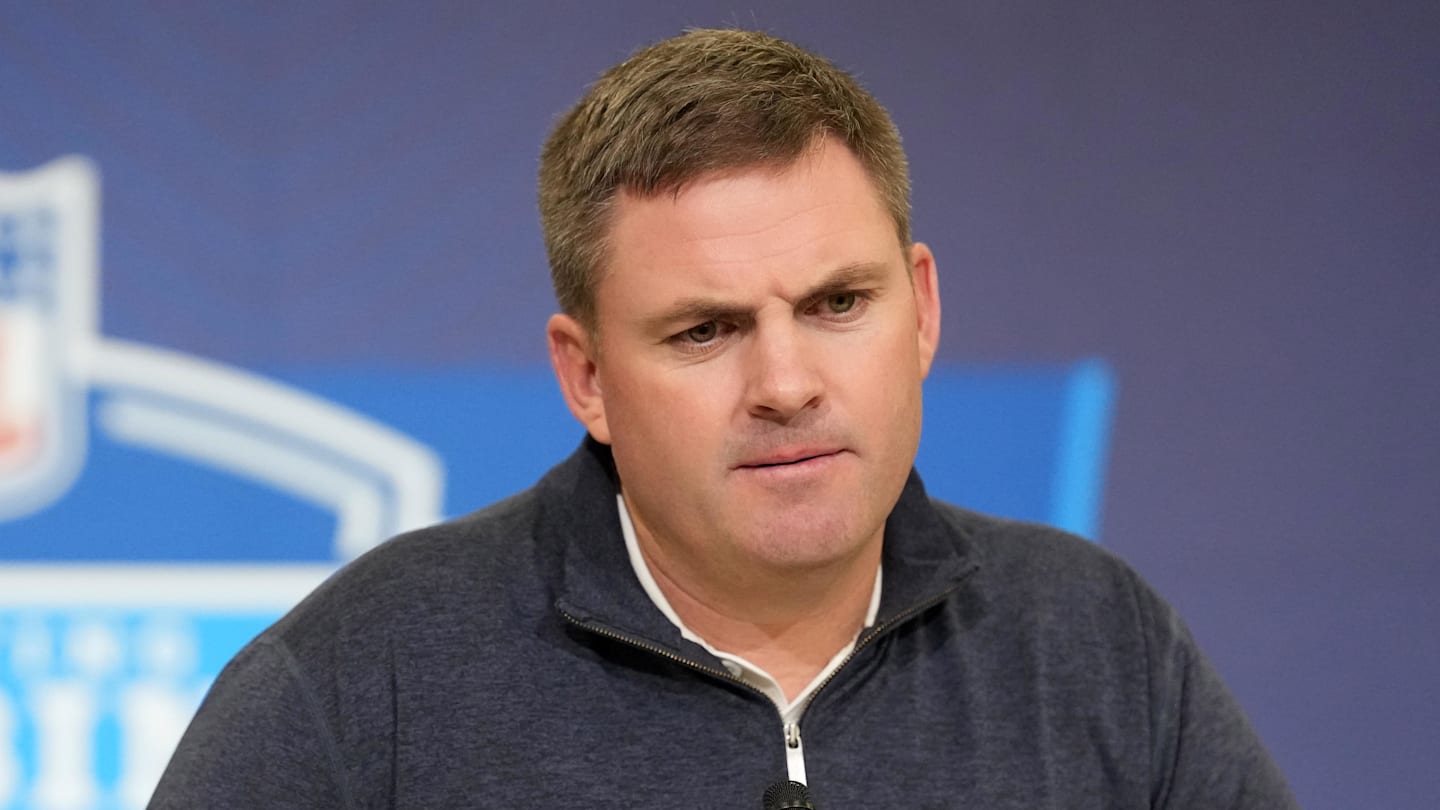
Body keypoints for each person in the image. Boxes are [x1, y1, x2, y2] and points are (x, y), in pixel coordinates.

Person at [149, 29, 1297, 808]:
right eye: (705, 330)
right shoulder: (368, 683)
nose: (786, 383)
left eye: (838, 304)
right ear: (586, 377)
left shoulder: (1096, 647)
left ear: (923, 309)